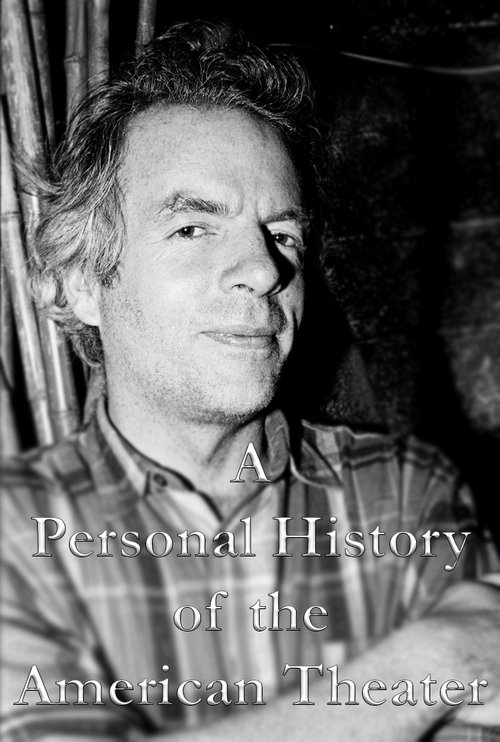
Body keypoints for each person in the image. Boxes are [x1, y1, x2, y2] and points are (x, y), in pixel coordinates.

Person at [1, 19, 499, 742]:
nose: (266, 270)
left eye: (283, 234)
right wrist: (434, 660)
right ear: (82, 281)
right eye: (193, 229)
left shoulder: (402, 495)